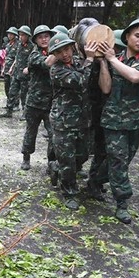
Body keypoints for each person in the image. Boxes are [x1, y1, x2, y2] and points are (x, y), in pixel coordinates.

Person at [95, 19, 139, 224]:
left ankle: (95, 180)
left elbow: (136, 77)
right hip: (114, 117)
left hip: (137, 118)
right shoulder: (117, 57)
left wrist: (111, 59)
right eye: (137, 36)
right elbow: (105, 88)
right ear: (127, 37)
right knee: (118, 159)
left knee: (125, 157)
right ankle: (122, 202)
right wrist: (104, 63)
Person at [45, 35, 98, 210]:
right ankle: (69, 193)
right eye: (59, 52)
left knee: (82, 155)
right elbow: (81, 81)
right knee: (68, 160)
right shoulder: (56, 70)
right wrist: (89, 59)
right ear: (54, 55)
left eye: (67, 49)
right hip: (63, 121)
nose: (65, 54)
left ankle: (55, 166)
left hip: (83, 120)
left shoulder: (77, 63)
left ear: (73, 48)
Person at [86, 29, 123, 201]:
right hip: (93, 112)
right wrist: (95, 60)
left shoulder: (118, 63)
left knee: (104, 152)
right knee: (90, 150)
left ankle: (95, 182)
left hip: (111, 115)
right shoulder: (92, 60)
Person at [20, 25, 57, 170]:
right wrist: (59, 50)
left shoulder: (55, 53)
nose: (44, 39)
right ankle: (26, 157)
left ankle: (51, 162)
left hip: (51, 102)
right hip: (35, 102)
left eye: (47, 36)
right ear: (35, 40)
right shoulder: (34, 55)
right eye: (41, 37)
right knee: (31, 131)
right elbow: (47, 63)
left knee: (53, 134)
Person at [0, 25, 32, 118]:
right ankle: (9, 110)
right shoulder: (18, 45)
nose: (21, 37)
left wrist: (29, 69)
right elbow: (16, 58)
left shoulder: (31, 47)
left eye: (23, 35)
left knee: (24, 95)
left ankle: (25, 113)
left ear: (28, 36)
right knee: (12, 92)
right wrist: (11, 68)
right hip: (16, 73)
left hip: (25, 75)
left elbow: (32, 60)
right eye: (20, 35)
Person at [2, 27, 19, 99]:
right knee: (7, 86)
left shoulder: (18, 44)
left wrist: (12, 67)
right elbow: (5, 57)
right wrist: (3, 68)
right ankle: (9, 102)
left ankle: (15, 103)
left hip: (14, 69)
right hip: (6, 68)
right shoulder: (8, 45)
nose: (9, 35)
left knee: (14, 86)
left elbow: (17, 58)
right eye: (9, 34)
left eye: (11, 34)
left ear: (15, 35)